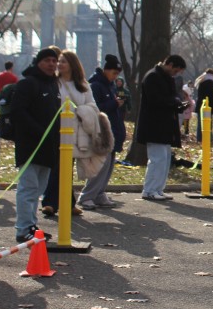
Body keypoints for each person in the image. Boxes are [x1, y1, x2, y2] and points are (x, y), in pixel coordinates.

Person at [11, 48, 61, 243]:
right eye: (47, 60)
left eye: (54, 61)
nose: (51, 64)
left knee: (38, 190)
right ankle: (23, 229)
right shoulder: (27, 84)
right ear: (38, 62)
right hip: (30, 147)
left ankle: (32, 225)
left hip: (49, 148)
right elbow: (18, 112)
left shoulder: (53, 86)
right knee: (28, 189)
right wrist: (40, 132)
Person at [40, 50, 97, 217]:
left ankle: (68, 202)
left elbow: (92, 105)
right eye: (59, 61)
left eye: (63, 61)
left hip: (76, 131)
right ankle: (50, 202)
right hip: (56, 129)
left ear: (72, 64)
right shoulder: (54, 83)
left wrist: (83, 112)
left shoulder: (83, 85)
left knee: (67, 166)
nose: (59, 64)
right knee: (56, 165)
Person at [135, 55, 187, 201]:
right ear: (169, 64)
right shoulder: (153, 77)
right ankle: (149, 190)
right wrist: (174, 102)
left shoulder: (165, 78)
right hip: (154, 125)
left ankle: (158, 188)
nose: (175, 74)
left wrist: (178, 104)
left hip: (164, 125)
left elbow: (169, 98)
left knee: (164, 159)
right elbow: (156, 100)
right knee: (157, 159)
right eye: (175, 70)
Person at [79, 54, 126, 210]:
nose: (115, 76)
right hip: (101, 131)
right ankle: (87, 195)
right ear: (106, 70)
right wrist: (114, 103)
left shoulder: (110, 86)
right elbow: (96, 108)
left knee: (109, 166)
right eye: (114, 73)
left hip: (112, 130)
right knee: (100, 166)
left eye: (117, 74)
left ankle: (99, 193)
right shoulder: (95, 86)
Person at [195, 68, 213, 143]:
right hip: (208, 106)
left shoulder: (201, 82)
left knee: (200, 123)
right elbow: (212, 97)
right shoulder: (211, 84)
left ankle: (199, 138)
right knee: (208, 123)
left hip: (200, 105)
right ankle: (208, 138)